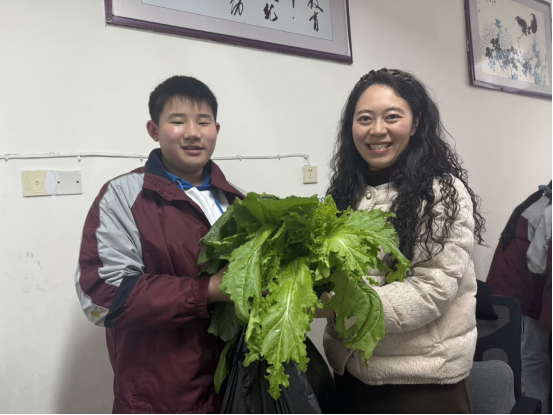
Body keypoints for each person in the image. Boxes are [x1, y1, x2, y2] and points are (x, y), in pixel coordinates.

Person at [75, 76, 243, 414]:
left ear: (216, 129)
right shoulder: (123, 195)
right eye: (178, 121)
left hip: (230, 388)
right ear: (154, 130)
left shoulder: (237, 200)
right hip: (157, 398)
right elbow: (102, 296)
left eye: (203, 122)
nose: (192, 132)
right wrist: (207, 290)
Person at [323, 68, 485, 414]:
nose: (377, 129)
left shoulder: (441, 192)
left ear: (415, 123)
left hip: (419, 385)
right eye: (364, 119)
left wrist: (338, 304)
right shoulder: (345, 192)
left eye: (392, 117)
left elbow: (430, 290)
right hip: (352, 374)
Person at [487, 182, 552, 414]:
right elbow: (538, 263)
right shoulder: (544, 211)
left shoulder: (535, 203)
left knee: (520, 361)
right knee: (533, 362)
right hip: (522, 297)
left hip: (504, 294)